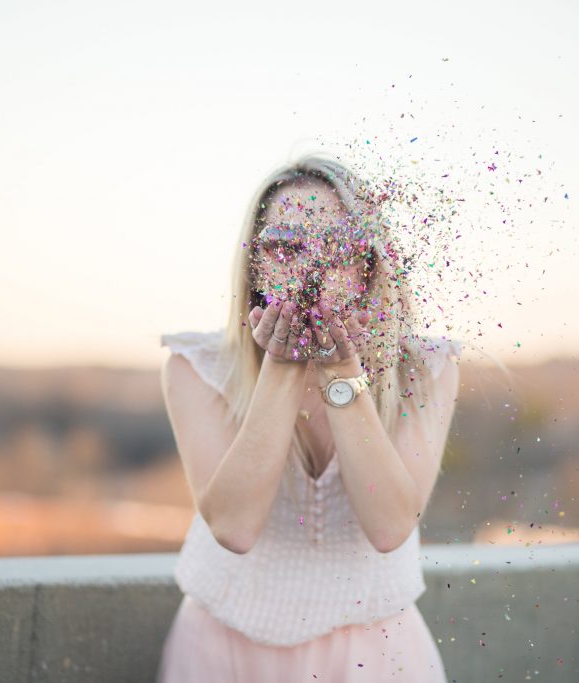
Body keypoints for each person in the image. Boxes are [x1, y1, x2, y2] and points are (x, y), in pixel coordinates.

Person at [156, 154, 461, 681]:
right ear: (255, 263)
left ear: (366, 265)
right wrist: (283, 363)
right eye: (286, 247)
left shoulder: (424, 369)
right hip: (224, 652)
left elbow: (389, 527)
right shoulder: (197, 368)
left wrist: (341, 369)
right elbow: (233, 525)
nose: (311, 269)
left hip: (378, 656)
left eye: (337, 249)